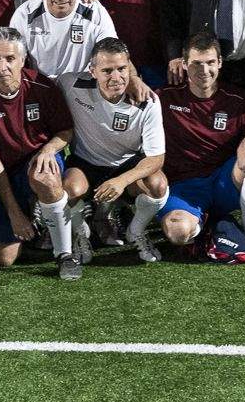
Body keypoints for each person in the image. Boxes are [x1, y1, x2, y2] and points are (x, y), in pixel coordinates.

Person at [0, 27, 78, 278]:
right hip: (3, 172)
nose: (3, 66)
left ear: (22, 60)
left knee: (44, 175)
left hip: (35, 162)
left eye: (10, 59)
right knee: (3, 259)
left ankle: (65, 254)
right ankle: (34, 215)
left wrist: (48, 151)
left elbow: (65, 131)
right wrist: (15, 214)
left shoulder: (42, 86)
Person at [155, 30, 245, 259]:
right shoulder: (164, 98)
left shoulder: (238, 100)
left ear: (220, 63)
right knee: (178, 233)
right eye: (196, 63)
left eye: (210, 63)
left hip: (224, 182)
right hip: (183, 186)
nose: (204, 71)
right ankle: (207, 227)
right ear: (184, 64)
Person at [56, 38, 170, 264]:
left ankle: (136, 231)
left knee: (158, 186)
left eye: (122, 69)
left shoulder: (147, 101)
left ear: (130, 67)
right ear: (93, 71)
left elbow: (156, 158)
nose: (116, 78)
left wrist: (121, 181)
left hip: (127, 164)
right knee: (69, 189)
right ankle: (81, 233)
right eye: (107, 70)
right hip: (87, 162)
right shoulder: (70, 84)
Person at [9, 0, 119, 77]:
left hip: (83, 87)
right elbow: (11, 57)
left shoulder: (95, 11)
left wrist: (133, 77)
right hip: (41, 87)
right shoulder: (24, 14)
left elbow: (112, 52)